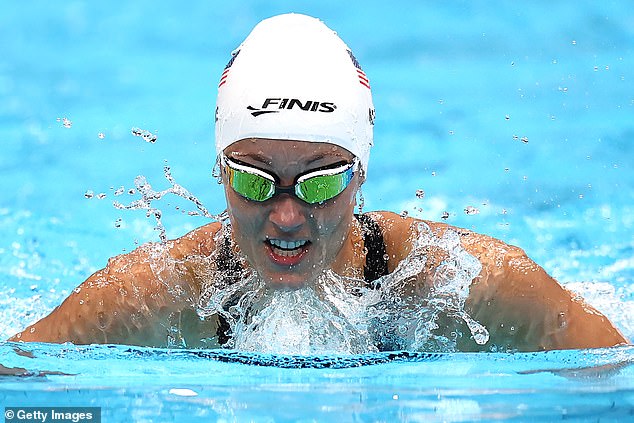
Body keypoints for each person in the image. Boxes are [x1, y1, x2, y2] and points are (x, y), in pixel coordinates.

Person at [9, 13, 627, 352]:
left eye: (319, 182)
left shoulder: (463, 286)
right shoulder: (150, 298)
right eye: (255, 182)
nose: (285, 216)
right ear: (220, 172)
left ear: (359, 174)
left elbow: (611, 372)